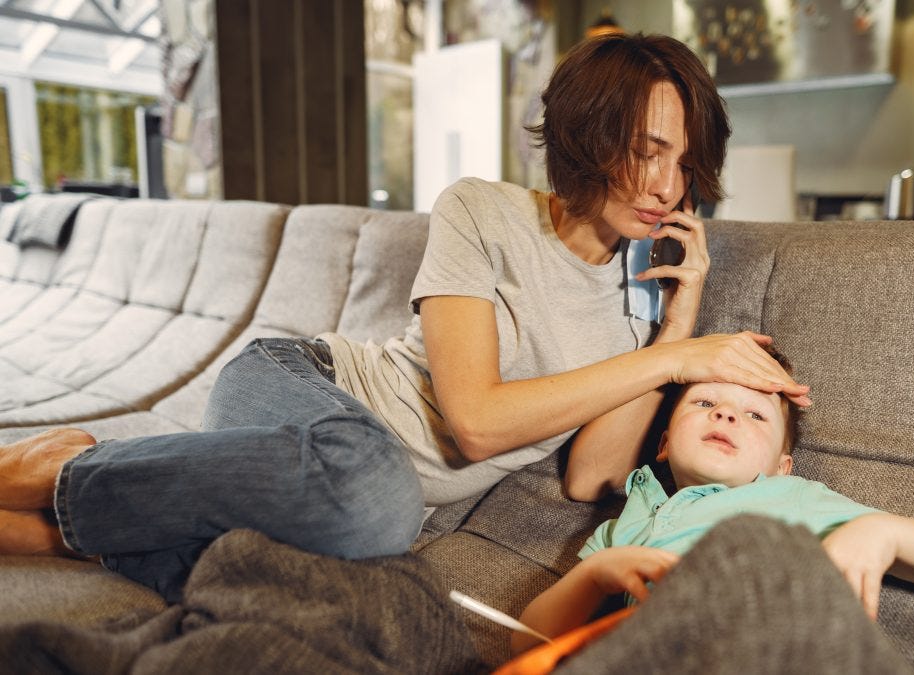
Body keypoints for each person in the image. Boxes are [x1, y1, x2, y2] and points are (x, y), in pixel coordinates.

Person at [0, 33, 810, 602]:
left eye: (683, 157)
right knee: (377, 501)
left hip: (346, 496)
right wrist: (676, 360)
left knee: (324, 558)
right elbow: (477, 421)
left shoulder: (643, 313)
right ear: (587, 134)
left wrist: (676, 326)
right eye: (646, 149)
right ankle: (65, 472)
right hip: (305, 388)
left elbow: (588, 475)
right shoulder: (481, 212)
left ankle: (63, 518)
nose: (668, 185)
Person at [509, 373, 914, 656]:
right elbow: (527, 640)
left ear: (781, 466)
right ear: (662, 445)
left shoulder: (792, 498)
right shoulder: (631, 517)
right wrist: (594, 575)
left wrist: (882, 533)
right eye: (705, 402)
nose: (725, 415)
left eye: (754, 415)